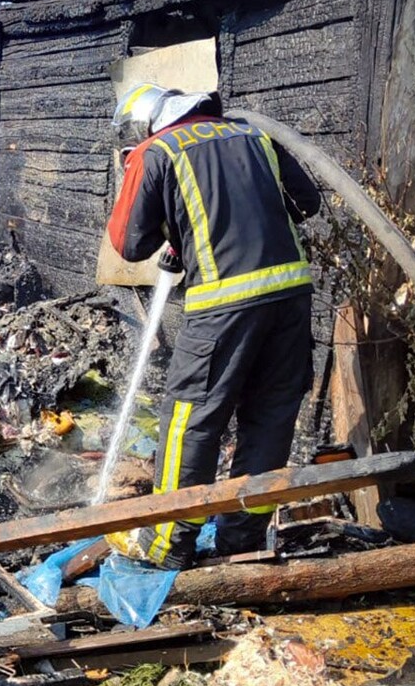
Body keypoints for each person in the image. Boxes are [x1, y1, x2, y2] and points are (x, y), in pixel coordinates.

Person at [105, 83, 322, 570]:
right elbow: (307, 203)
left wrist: (145, 187)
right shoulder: (254, 136)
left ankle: (168, 545)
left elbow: (129, 244)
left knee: (190, 419)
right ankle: (242, 540)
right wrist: (192, 232)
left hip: (224, 302)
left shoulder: (157, 151)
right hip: (290, 297)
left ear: (147, 123)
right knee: (270, 416)